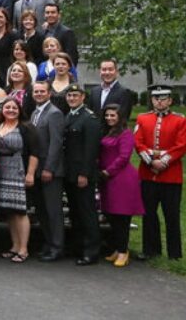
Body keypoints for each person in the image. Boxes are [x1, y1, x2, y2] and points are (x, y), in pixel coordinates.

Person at [134, 84, 186, 261]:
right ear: (152, 100)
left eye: (163, 98)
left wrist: (163, 161)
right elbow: (138, 142)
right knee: (148, 214)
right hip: (148, 174)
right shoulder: (142, 118)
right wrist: (150, 160)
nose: (159, 102)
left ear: (170, 100)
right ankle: (150, 250)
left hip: (171, 176)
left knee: (171, 215)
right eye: (156, 98)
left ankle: (174, 254)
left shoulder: (180, 120)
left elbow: (181, 146)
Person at [0, 97, 39, 263]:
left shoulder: (27, 127)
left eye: (14, 108)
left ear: (19, 110)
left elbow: (35, 152)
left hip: (19, 169)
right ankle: (14, 245)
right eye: (7, 107)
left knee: (20, 211)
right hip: (2, 170)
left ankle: (23, 248)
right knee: (9, 211)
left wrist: (30, 173)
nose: (10, 110)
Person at [99, 104, 144, 267]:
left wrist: (108, 172)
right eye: (107, 115)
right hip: (107, 180)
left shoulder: (125, 134)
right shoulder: (107, 132)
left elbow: (124, 157)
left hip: (122, 179)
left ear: (120, 117)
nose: (109, 118)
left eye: (113, 116)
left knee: (122, 217)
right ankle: (117, 249)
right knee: (110, 214)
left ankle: (124, 252)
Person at [26, 80, 66, 262]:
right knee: (41, 210)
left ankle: (57, 247)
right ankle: (49, 243)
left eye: (43, 91)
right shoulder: (35, 112)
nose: (39, 94)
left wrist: (49, 168)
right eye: (36, 91)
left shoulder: (54, 114)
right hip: (37, 170)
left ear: (49, 93)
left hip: (51, 171)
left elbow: (56, 144)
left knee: (53, 211)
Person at [61, 83, 101, 265]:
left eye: (75, 95)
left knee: (87, 213)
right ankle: (77, 246)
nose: (72, 98)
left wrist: (84, 174)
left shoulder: (89, 119)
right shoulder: (69, 116)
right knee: (75, 213)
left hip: (82, 174)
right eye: (69, 96)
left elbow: (91, 150)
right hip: (70, 173)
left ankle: (91, 251)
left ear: (83, 97)